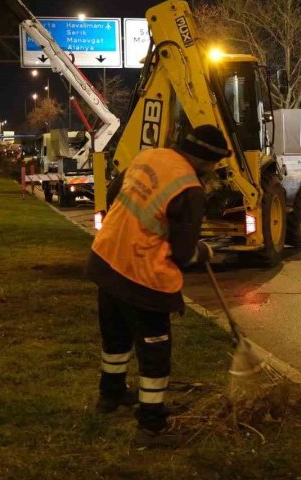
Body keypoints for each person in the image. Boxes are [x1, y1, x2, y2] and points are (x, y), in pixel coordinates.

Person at [86, 125, 229, 449]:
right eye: (216, 164)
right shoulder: (190, 188)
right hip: (142, 280)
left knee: (116, 339)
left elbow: (114, 196)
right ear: (207, 160)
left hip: (106, 260)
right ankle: (151, 425)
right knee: (154, 355)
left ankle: (110, 396)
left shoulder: (147, 156)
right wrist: (203, 250)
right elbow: (182, 253)